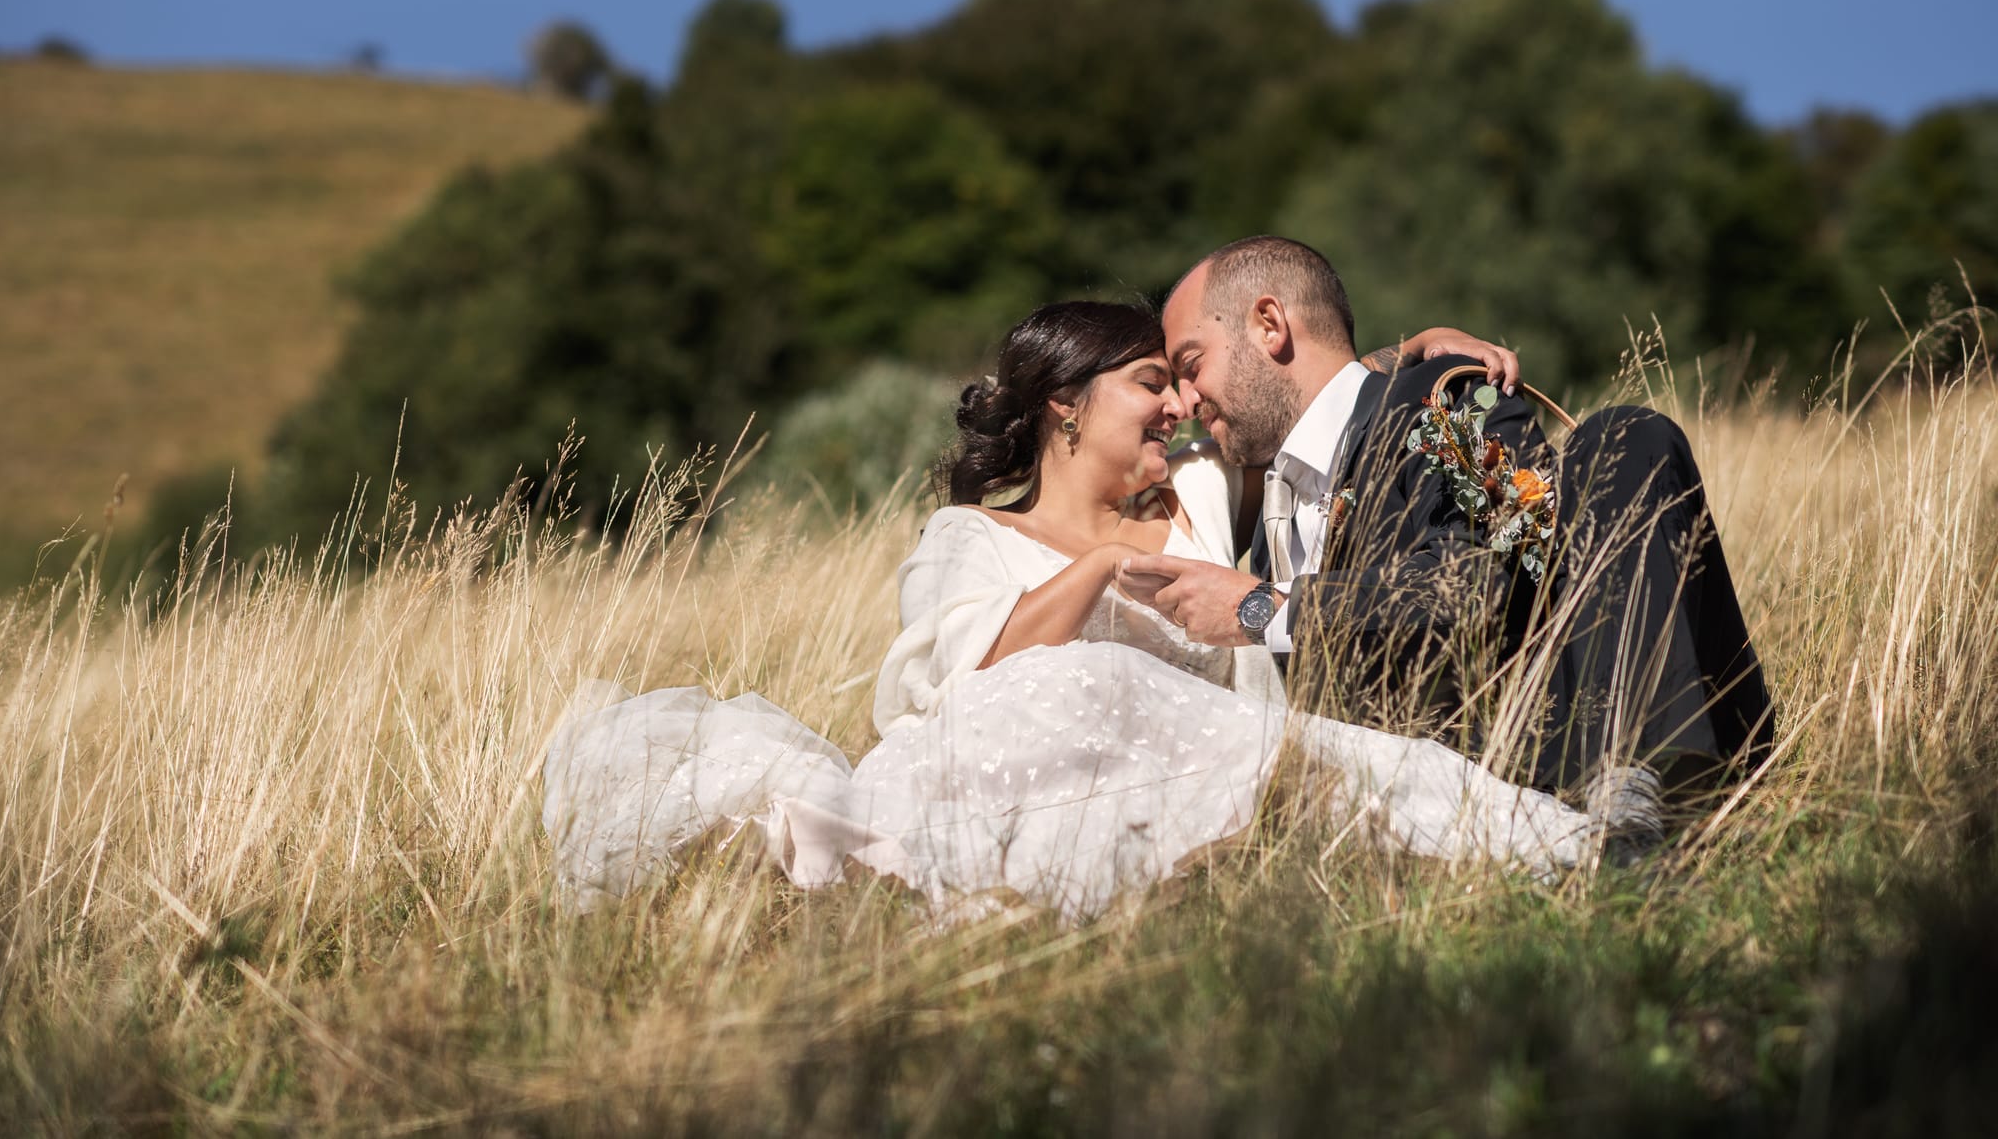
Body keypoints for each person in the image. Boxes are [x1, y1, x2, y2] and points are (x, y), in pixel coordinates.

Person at [543, 302, 1599, 921]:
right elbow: (971, 678)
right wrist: (1095, 566)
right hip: (1010, 784)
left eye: (1177, 386)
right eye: (1150, 380)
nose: (1179, 406)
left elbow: (1280, 409)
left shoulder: (1192, 502)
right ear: (1064, 401)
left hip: (1213, 773)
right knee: (1077, 678)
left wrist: (1402, 362)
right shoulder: (967, 540)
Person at [1122, 236, 1775, 844]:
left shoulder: (1445, 403)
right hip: (1404, 816)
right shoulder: (1265, 507)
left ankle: (1638, 796)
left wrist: (1257, 607)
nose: (1184, 399)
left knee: (1623, 438)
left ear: (1269, 324)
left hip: (1542, 749)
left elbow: (1473, 586)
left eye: (1190, 364)